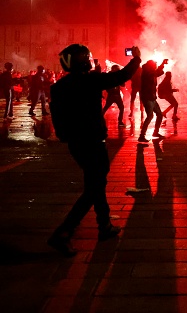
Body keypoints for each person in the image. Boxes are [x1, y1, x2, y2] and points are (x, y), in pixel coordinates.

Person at [47, 44, 141, 257]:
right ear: (83, 60)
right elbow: (121, 76)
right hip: (92, 142)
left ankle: (104, 225)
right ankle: (64, 232)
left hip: (76, 143)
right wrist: (136, 58)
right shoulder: (89, 81)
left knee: (96, 184)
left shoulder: (59, 87)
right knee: (94, 187)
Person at [138, 59, 167, 143]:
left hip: (152, 97)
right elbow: (156, 73)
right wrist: (162, 64)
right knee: (150, 116)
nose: (155, 66)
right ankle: (142, 136)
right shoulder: (147, 72)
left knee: (159, 115)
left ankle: (155, 132)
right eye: (154, 65)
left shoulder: (150, 72)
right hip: (147, 97)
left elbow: (158, 73)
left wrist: (162, 65)